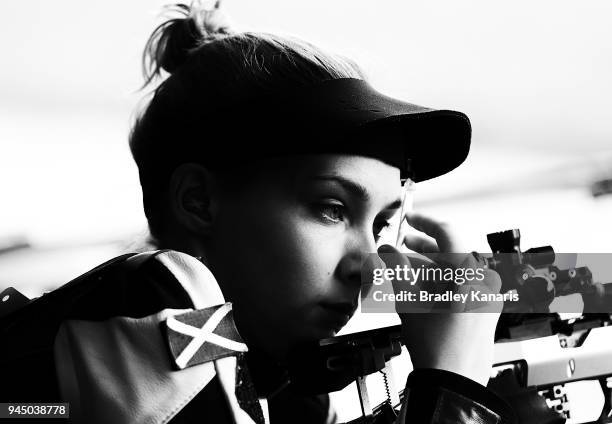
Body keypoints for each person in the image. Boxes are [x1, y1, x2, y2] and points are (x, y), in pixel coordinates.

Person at [0, 1, 515, 423]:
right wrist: (456, 381)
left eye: (382, 224)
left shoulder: (262, 364)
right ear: (198, 201)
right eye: (332, 209)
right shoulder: (160, 303)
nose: (369, 265)